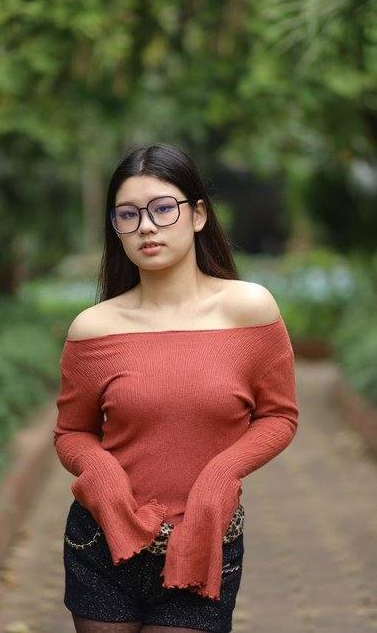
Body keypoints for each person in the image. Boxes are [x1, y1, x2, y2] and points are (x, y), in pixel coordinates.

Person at [53, 142, 299, 633]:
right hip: (103, 540)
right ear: (116, 228)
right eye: (128, 215)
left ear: (198, 215)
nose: (147, 226)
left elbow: (279, 416)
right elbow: (72, 433)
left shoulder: (249, 310)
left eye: (163, 208)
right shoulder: (94, 328)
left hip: (204, 541)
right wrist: (100, 472)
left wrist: (222, 473)